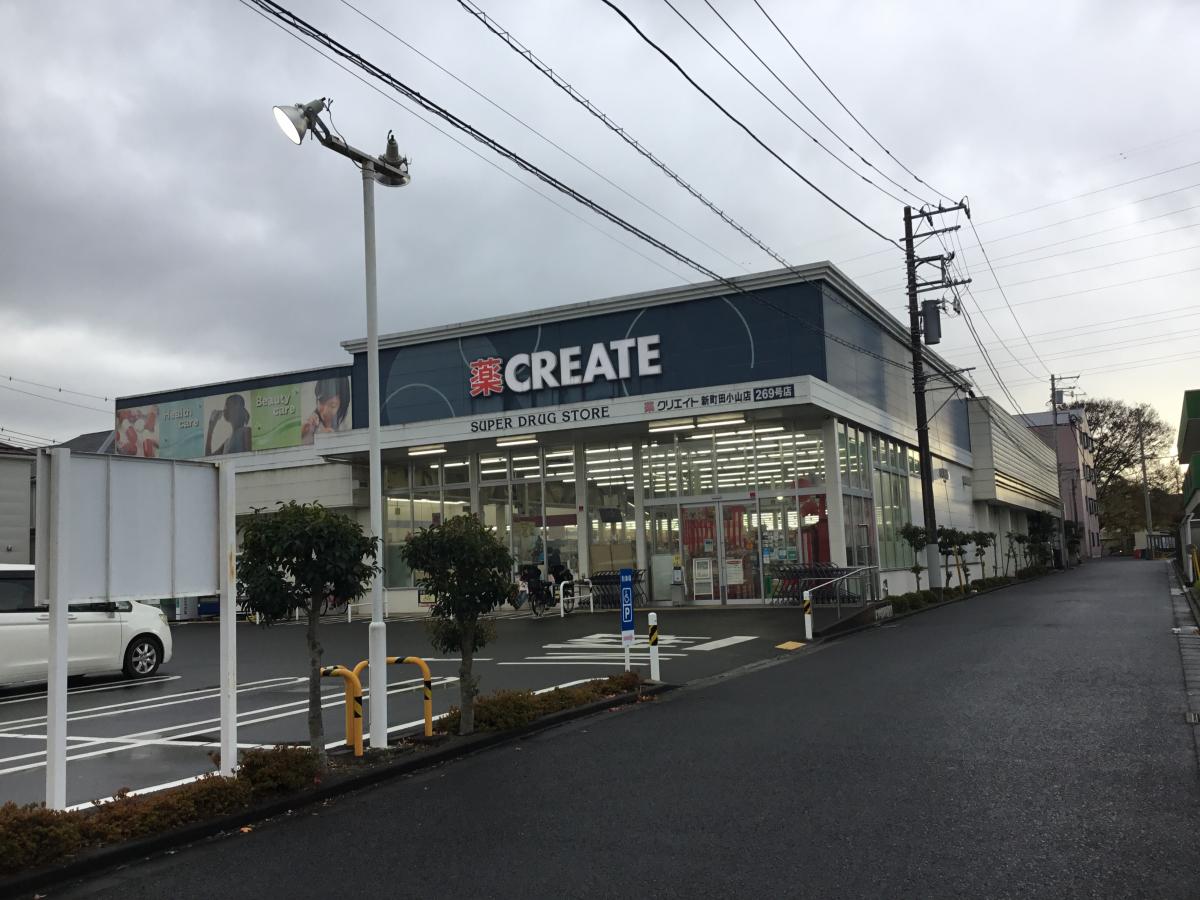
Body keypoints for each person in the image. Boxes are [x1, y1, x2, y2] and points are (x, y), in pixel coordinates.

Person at [301, 378, 350, 445]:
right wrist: (303, 436)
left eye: (332, 405)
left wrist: (334, 440)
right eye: (321, 402)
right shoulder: (309, 424)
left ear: (342, 406)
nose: (324, 412)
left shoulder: (349, 425)